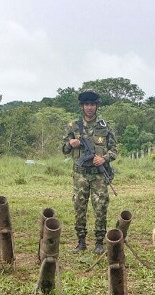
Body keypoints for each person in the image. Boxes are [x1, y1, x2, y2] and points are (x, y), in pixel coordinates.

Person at [62, 90, 118, 254]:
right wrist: (70, 144)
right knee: (79, 207)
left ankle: (99, 242)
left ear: (97, 106)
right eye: (87, 104)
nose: (90, 108)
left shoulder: (105, 127)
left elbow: (114, 150)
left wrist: (104, 158)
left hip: (99, 176)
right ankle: (81, 242)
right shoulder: (73, 127)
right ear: (81, 106)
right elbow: (64, 149)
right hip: (80, 175)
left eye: (93, 104)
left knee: (100, 208)